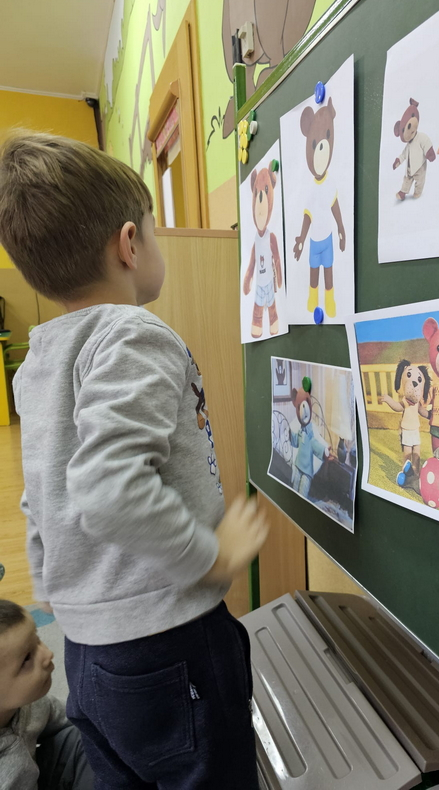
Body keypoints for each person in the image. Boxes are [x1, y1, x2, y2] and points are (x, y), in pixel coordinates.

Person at [0, 131, 269, 789]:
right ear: (129, 244)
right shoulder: (133, 335)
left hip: (88, 653)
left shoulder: (37, 362)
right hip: (170, 641)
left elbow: (41, 495)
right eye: (152, 229)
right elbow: (107, 488)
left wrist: (60, 592)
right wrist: (213, 557)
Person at [0, 599, 94, 789]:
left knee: (91, 733)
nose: (47, 654)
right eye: (27, 658)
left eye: (37, 638)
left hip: (37, 773)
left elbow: (67, 718)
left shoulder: (32, 704)